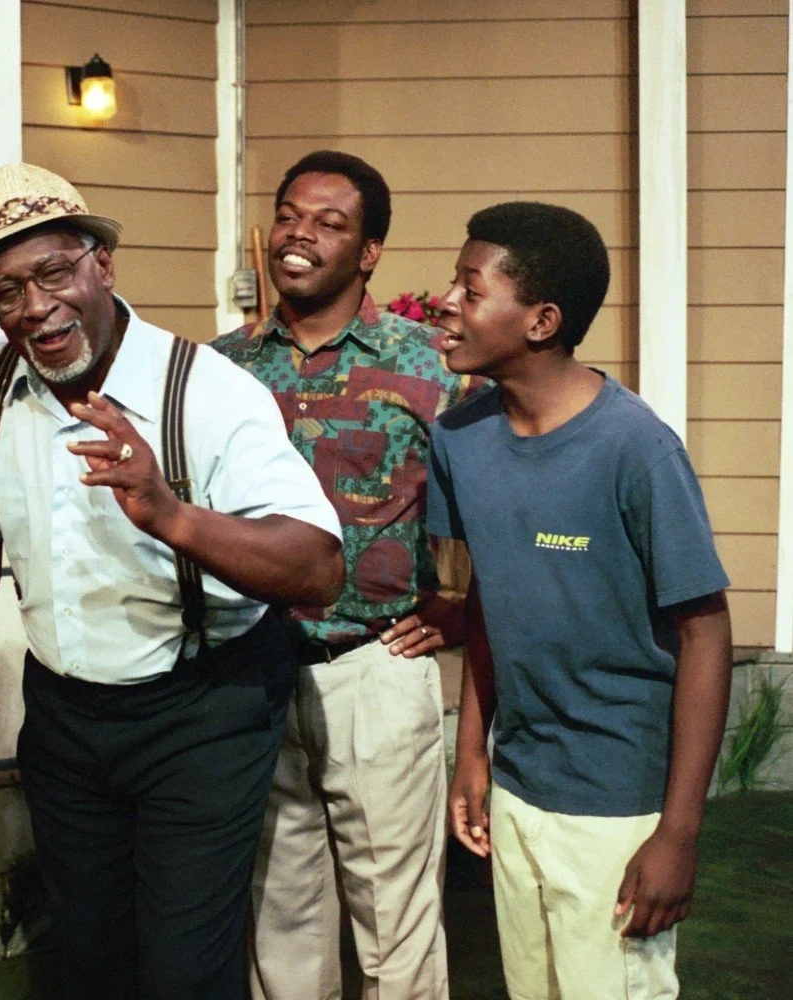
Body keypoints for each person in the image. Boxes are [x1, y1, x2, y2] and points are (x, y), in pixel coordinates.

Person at [0, 161, 345, 1000]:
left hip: (201, 709)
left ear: (101, 265)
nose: (35, 307)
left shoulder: (208, 391)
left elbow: (318, 566)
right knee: (89, 959)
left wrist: (171, 515)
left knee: (183, 971)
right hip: (68, 716)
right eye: (7, 291)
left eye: (53, 273)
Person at [431, 202, 733, 999]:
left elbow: (705, 633)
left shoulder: (637, 449)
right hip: (517, 787)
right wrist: (472, 755)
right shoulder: (460, 437)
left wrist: (678, 832)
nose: (445, 302)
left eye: (470, 289)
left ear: (542, 321)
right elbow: (490, 599)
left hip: (616, 806)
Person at [212, 150, 473, 1000]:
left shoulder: (430, 366)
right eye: (290, 215)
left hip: (375, 667)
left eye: (329, 223)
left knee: (396, 930)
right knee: (280, 925)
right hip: (251, 671)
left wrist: (458, 609)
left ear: (369, 253)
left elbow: (493, 501)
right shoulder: (221, 369)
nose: (300, 235)